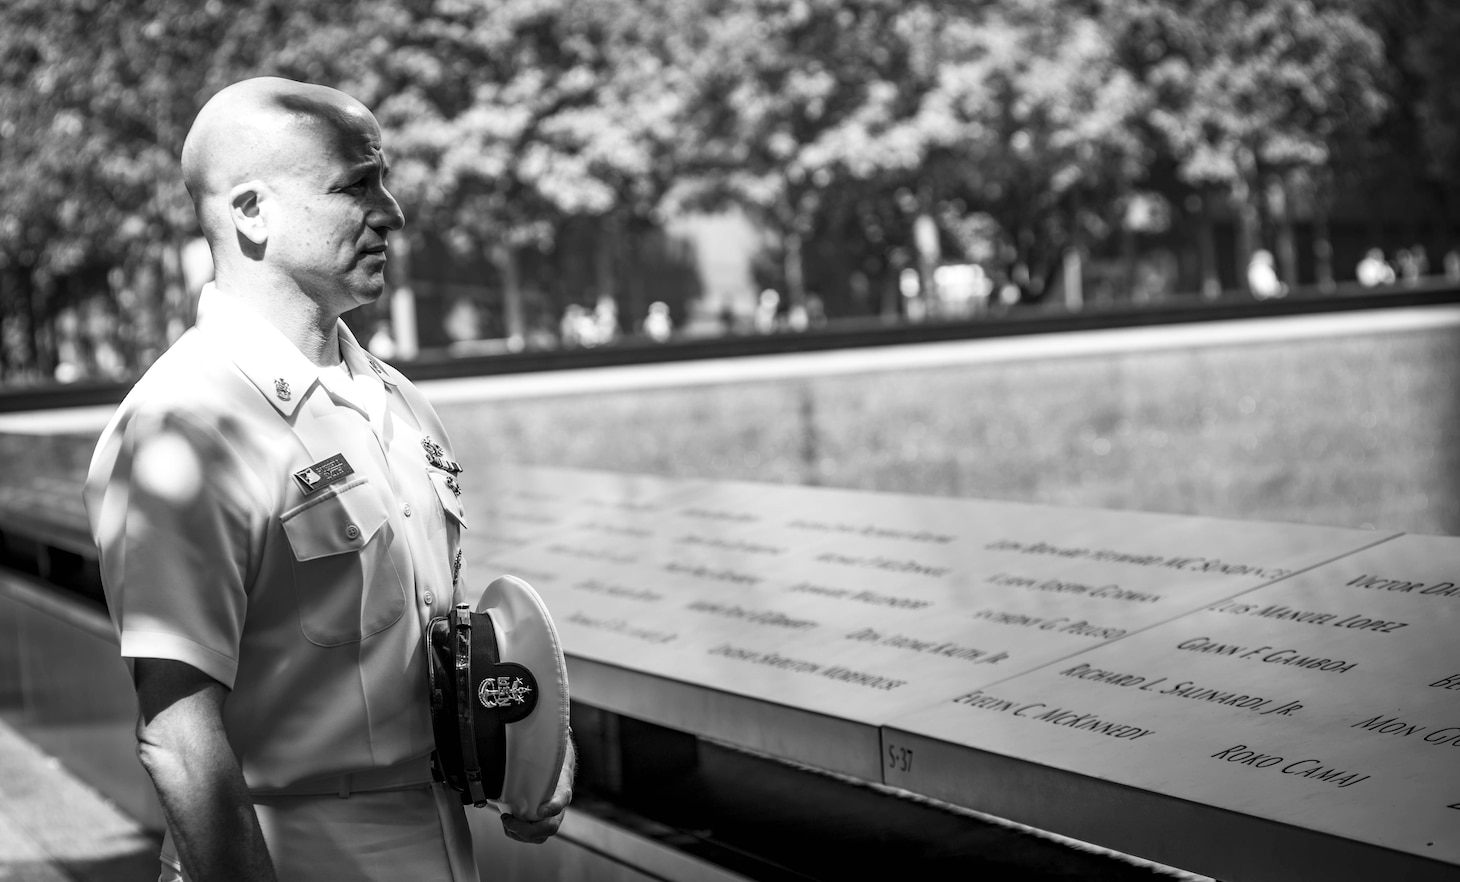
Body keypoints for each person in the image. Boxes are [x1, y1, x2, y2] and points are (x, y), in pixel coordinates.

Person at [83, 77, 574, 882]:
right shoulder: (184, 427)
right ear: (252, 212)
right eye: (355, 184)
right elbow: (177, 738)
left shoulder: (395, 398)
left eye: (384, 178)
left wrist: (532, 742)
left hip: (441, 843)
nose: (392, 211)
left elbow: (429, 636)